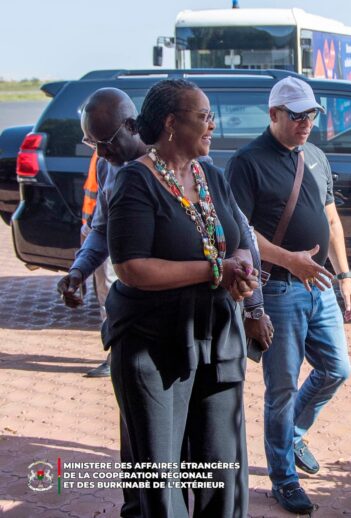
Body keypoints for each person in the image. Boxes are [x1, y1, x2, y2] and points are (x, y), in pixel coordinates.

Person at [103, 79, 258, 517]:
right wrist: (216, 270)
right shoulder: (136, 181)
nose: (212, 125)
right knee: (161, 477)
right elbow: (131, 267)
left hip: (216, 338)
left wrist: (242, 268)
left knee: (219, 469)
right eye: (204, 116)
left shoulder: (212, 176)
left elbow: (240, 240)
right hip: (154, 345)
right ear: (172, 123)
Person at [226, 76, 351, 515]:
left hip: (319, 286)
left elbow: (332, 220)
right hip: (279, 288)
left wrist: (345, 278)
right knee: (280, 387)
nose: (306, 123)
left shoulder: (316, 156)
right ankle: (283, 477)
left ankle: (294, 434)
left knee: (337, 368)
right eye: (297, 115)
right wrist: (290, 260)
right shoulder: (247, 163)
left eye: (312, 115)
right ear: (274, 115)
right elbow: (240, 234)